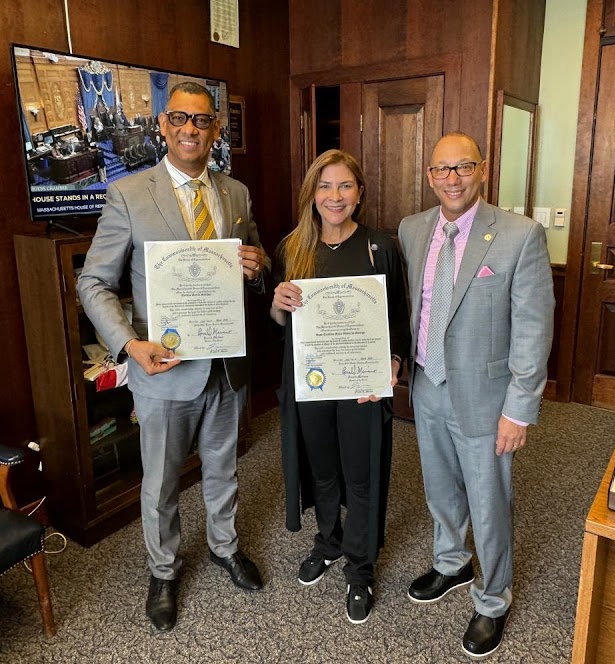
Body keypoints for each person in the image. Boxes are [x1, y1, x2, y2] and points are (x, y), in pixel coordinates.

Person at [77, 81, 270, 633]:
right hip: (161, 370)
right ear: (163, 125)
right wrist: (128, 345)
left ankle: (224, 547)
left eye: (203, 121)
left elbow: (251, 264)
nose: (191, 129)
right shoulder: (129, 194)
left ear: (215, 129)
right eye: (180, 119)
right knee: (160, 482)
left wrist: (256, 269)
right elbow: (93, 282)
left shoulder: (236, 194)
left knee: (223, 468)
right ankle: (164, 570)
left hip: (225, 364)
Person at [398, 132, 554, 659]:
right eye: (442, 169)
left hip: (488, 398)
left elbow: (533, 330)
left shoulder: (519, 235)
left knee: (489, 502)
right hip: (427, 384)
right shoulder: (412, 229)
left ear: (482, 170)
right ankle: (451, 562)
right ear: (429, 176)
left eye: (463, 167)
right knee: (439, 486)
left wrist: (520, 408)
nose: (452, 179)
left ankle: (492, 599)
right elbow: (408, 307)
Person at [271, 149, 410, 625]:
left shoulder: (380, 247)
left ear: (360, 194)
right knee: (322, 469)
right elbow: (280, 323)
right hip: (310, 384)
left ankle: (360, 567)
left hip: (360, 387)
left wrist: (392, 363)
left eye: (345, 186)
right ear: (312, 194)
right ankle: (328, 541)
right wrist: (278, 302)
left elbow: (398, 319)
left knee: (362, 475)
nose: (335, 196)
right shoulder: (292, 248)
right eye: (325, 186)